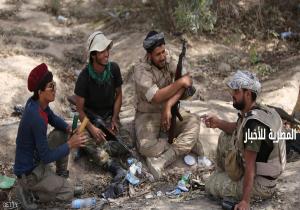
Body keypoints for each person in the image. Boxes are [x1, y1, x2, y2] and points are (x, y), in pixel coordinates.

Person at [203, 70, 286, 210]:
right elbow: (237, 128)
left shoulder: (254, 126)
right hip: (263, 175)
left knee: (209, 184)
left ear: (247, 94)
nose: (232, 95)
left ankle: (224, 179)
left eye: (236, 92)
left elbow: (250, 167)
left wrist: (245, 202)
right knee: (225, 136)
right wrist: (218, 123)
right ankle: (224, 174)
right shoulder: (260, 111)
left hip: (261, 185)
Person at [14, 63, 87, 209]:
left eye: (54, 85)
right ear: (40, 91)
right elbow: (47, 156)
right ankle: (28, 191)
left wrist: (68, 128)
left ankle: (59, 177)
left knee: (61, 133)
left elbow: (53, 118)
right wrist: (70, 144)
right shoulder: (36, 118)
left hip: (36, 160)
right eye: (50, 86)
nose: (54, 89)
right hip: (29, 174)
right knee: (68, 192)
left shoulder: (36, 102)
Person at [133, 31, 202, 179]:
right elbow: (157, 96)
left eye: (163, 51)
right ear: (149, 55)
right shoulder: (140, 69)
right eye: (158, 54)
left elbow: (187, 82)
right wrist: (180, 83)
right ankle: (182, 144)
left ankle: (167, 157)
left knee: (194, 122)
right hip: (148, 114)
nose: (163, 56)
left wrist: (169, 104)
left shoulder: (169, 58)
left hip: (170, 110)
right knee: (146, 147)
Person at [74, 31, 131, 198]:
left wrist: (114, 118)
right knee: (84, 139)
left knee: (126, 143)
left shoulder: (114, 69)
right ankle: (114, 168)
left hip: (107, 118)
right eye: (102, 51)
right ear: (93, 55)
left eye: (107, 50)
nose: (107, 54)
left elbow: (119, 94)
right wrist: (91, 129)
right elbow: (79, 109)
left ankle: (97, 150)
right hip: (89, 120)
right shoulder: (84, 77)